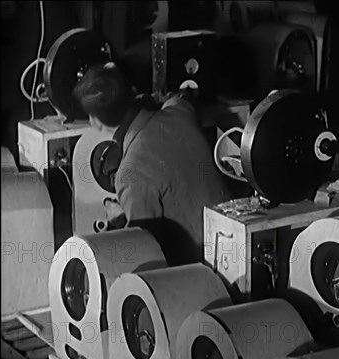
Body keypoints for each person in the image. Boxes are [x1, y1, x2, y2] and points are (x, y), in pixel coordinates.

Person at [73, 61, 235, 264]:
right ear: (131, 93)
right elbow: (181, 98)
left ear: (96, 121)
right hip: (233, 245)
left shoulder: (131, 175)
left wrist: (120, 219)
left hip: (200, 272)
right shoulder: (179, 113)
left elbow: (146, 253)